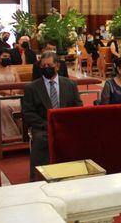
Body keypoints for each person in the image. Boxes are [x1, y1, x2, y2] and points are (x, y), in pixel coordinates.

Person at [22, 51, 83, 180]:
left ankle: (76, 176)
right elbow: (28, 113)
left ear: (57, 66)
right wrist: (48, 125)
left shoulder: (70, 84)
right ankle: (38, 179)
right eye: (43, 66)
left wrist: (66, 124)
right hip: (43, 128)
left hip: (66, 127)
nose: (46, 68)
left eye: (49, 65)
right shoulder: (31, 88)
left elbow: (78, 107)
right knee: (42, 139)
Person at [0, 49, 22, 141]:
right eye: (4, 57)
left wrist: (14, 91)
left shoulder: (13, 69)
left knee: (22, 103)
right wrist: (4, 92)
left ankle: (23, 131)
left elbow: (19, 84)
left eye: (9, 57)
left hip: (14, 95)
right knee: (3, 106)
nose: (7, 59)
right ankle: (10, 135)